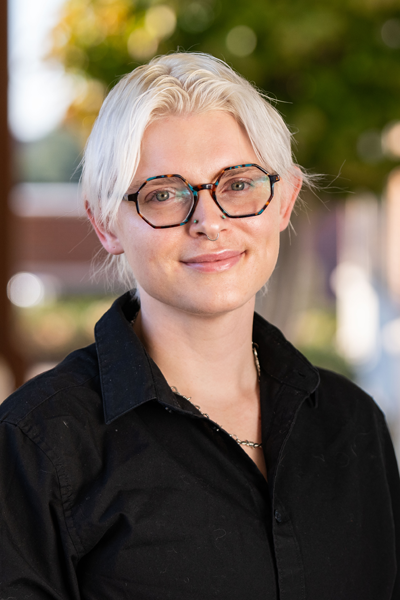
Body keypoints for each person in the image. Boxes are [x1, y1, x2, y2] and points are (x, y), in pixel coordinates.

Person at [0, 52, 399, 600]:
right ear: (105, 223)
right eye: (164, 193)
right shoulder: (34, 447)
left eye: (237, 184)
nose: (208, 222)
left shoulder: (354, 424)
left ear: (283, 202)